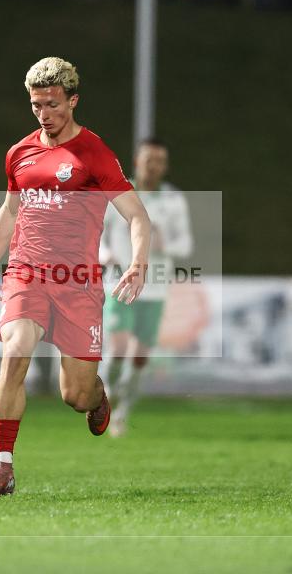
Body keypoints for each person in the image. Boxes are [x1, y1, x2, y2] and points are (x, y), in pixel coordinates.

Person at [0, 57, 151, 500]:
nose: (44, 114)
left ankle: (97, 395)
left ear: (73, 101)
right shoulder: (19, 153)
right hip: (27, 273)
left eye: (52, 104)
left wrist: (138, 261)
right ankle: (2, 467)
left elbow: (136, 215)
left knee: (74, 395)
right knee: (15, 351)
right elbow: (11, 210)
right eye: (36, 106)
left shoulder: (94, 154)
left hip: (78, 282)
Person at [99, 139, 193, 437]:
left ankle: (123, 411)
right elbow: (97, 232)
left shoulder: (172, 199)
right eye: (149, 159)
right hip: (120, 283)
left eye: (160, 161)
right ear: (137, 161)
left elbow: (186, 244)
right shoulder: (118, 191)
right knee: (118, 348)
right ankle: (105, 396)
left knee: (139, 357)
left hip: (155, 288)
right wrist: (106, 255)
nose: (154, 166)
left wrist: (168, 243)